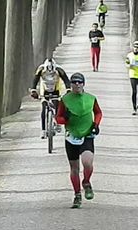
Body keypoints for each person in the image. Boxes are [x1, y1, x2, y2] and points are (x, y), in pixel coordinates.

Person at [55, 72, 102, 209]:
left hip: (87, 134)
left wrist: (96, 124)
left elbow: (98, 112)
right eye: (74, 82)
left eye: (79, 82)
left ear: (83, 84)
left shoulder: (91, 98)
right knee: (74, 168)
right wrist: (65, 118)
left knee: (87, 162)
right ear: (70, 84)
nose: (77, 84)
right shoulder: (65, 100)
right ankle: (77, 195)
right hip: (71, 136)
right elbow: (58, 118)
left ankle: (86, 182)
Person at [30, 57, 71, 139]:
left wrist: (68, 90)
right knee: (44, 108)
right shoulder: (41, 69)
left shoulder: (59, 69)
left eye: (52, 73)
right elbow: (36, 79)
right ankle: (43, 130)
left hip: (56, 89)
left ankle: (58, 123)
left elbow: (66, 80)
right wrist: (33, 90)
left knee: (57, 106)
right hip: (44, 90)